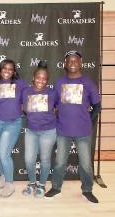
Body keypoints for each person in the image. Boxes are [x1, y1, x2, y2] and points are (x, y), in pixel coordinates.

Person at [45, 51, 101, 203]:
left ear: (81, 63)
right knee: (60, 162)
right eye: (70, 61)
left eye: (76, 60)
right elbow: (53, 105)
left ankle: (87, 190)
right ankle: (56, 187)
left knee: (85, 164)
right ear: (65, 64)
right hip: (63, 130)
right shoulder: (59, 83)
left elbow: (97, 106)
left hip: (83, 132)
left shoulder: (88, 83)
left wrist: (88, 121)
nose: (73, 63)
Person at [0, 59, 28, 197]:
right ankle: (3, 176)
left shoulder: (21, 84)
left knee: (4, 154)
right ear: (0, 70)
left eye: (10, 69)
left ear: (14, 71)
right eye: (4, 68)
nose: (7, 71)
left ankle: (10, 184)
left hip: (12, 123)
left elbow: (28, 100)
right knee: (0, 153)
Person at [21, 61, 57, 198]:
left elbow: (60, 109)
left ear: (47, 80)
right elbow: (23, 108)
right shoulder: (26, 92)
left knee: (45, 159)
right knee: (29, 159)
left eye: (44, 78)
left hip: (48, 131)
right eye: (38, 77)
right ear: (33, 77)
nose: (41, 80)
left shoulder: (52, 93)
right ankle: (31, 183)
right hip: (31, 131)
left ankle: (41, 184)